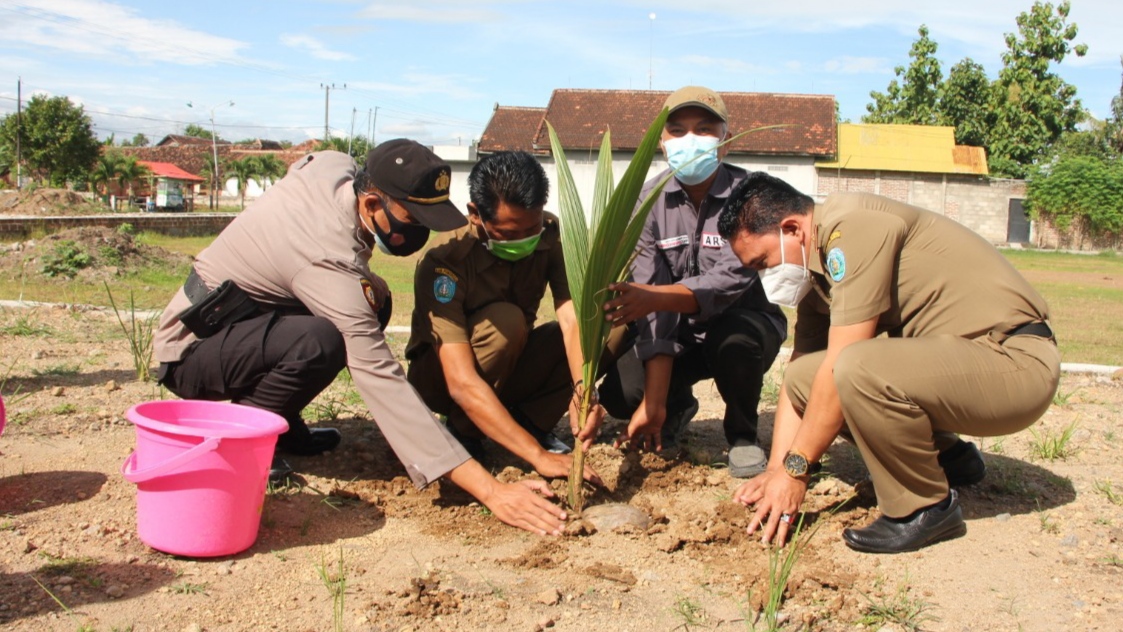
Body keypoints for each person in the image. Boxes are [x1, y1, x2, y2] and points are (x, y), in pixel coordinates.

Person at [153, 140, 569, 536]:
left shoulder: (340, 168)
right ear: (371, 204)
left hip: (250, 324)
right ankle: (248, 434)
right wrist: (491, 491)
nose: (422, 233)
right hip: (195, 346)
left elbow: (310, 163)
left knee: (375, 298)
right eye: (413, 220)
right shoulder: (324, 257)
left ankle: (281, 419)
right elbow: (380, 377)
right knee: (321, 340)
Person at [717, 172, 1061, 553]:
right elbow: (799, 379)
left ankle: (925, 506)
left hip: (1016, 362)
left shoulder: (851, 227)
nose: (764, 277)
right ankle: (948, 458)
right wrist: (775, 470)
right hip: (969, 365)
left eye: (762, 262)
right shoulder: (816, 278)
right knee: (805, 375)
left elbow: (842, 364)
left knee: (854, 366)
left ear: (793, 229)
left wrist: (795, 472)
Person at [598, 86, 787, 478]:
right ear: (661, 142)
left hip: (743, 325)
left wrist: (653, 297)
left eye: (704, 129)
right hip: (681, 335)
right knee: (621, 393)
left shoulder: (753, 196)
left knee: (735, 340)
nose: (690, 140)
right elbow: (651, 296)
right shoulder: (646, 201)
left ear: (725, 141)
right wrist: (653, 401)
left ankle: (743, 436)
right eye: (677, 130)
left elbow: (725, 284)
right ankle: (674, 405)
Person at [407, 151, 606, 484]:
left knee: (606, 327)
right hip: (444, 379)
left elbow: (572, 318)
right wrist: (537, 457)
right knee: (507, 322)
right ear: (475, 214)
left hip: (509, 368)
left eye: (532, 228)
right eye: (509, 234)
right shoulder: (445, 260)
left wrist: (584, 390)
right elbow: (460, 380)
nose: (524, 241)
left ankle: (530, 423)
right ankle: (463, 431)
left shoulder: (551, 234)